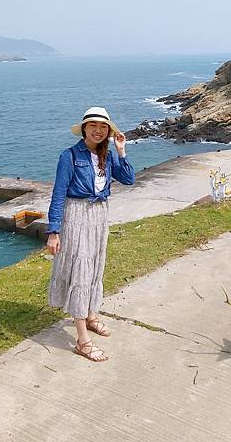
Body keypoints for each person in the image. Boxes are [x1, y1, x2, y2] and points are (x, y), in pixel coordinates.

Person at [46, 106, 135, 362]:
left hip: (99, 215)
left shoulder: (108, 155)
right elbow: (59, 193)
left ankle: (92, 315)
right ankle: (82, 340)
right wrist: (54, 231)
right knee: (81, 272)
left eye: (103, 126)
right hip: (76, 215)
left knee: (96, 267)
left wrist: (121, 151)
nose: (98, 130)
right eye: (93, 125)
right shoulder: (70, 156)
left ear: (108, 131)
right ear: (84, 128)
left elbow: (129, 179)